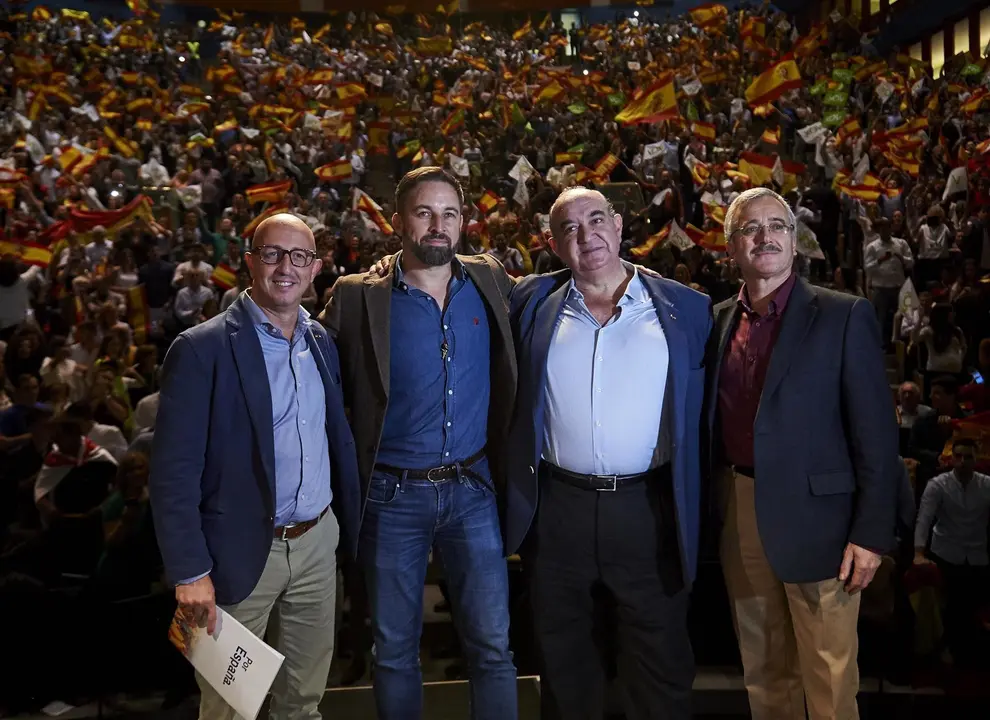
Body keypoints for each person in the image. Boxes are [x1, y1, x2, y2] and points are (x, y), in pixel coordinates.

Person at [504, 187, 711, 720]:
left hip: (647, 507)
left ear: (619, 226)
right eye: (569, 228)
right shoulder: (530, 303)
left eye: (596, 219)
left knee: (658, 660)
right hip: (558, 506)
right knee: (564, 660)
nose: (586, 234)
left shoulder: (687, 308)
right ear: (553, 243)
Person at [320, 167, 518, 720]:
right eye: (424, 212)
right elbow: (315, 379)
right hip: (390, 494)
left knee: (493, 648)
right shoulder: (358, 297)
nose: (438, 225)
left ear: (463, 222)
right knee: (394, 653)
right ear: (397, 221)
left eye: (449, 213)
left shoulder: (491, 281)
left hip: (474, 491)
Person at [150, 214, 361, 720]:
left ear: (315, 270)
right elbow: (172, 471)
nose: (286, 267)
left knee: (303, 703)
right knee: (229, 708)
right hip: (238, 558)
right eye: (272, 253)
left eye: (300, 257)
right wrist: (190, 570)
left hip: (315, 545)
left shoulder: (321, 342)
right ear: (249, 261)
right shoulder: (201, 348)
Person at [707, 188, 899, 720]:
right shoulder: (716, 321)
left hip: (823, 524)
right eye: (750, 228)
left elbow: (877, 436)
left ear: (795, 240)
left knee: (830, 675)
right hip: (741, 509)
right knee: (764, 670)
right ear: (732, 246)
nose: (765, 236)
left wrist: (870, 532)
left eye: (777, 226)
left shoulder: (844, 315)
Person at [914, 437, 990, 666]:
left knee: (973, 599)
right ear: (951, 458)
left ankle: (968, 648)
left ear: (976, 459)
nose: (963, 461)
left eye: (968, 457)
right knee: (954, 597)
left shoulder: (987, 484)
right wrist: (918, 553)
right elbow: (924, 519)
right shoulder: (937, 484)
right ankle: (947, 646)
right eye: (959, 456)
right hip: (946, 550)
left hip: (978, 552)